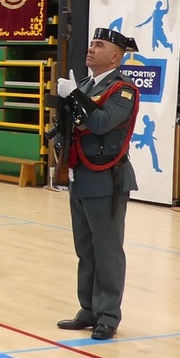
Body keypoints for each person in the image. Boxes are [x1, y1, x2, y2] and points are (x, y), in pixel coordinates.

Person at [55, 27, 139, 341]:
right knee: (86, 249)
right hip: (80, 174)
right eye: (91, 42)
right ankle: (88, 309)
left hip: (106, 177)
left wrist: (74, 96)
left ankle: (108, 315)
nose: (91, 48)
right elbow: (71, 126)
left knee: (107, 250)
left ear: (115, 56)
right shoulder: (88, 84)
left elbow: (102, 122)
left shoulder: (123, 90)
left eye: (99, 45)